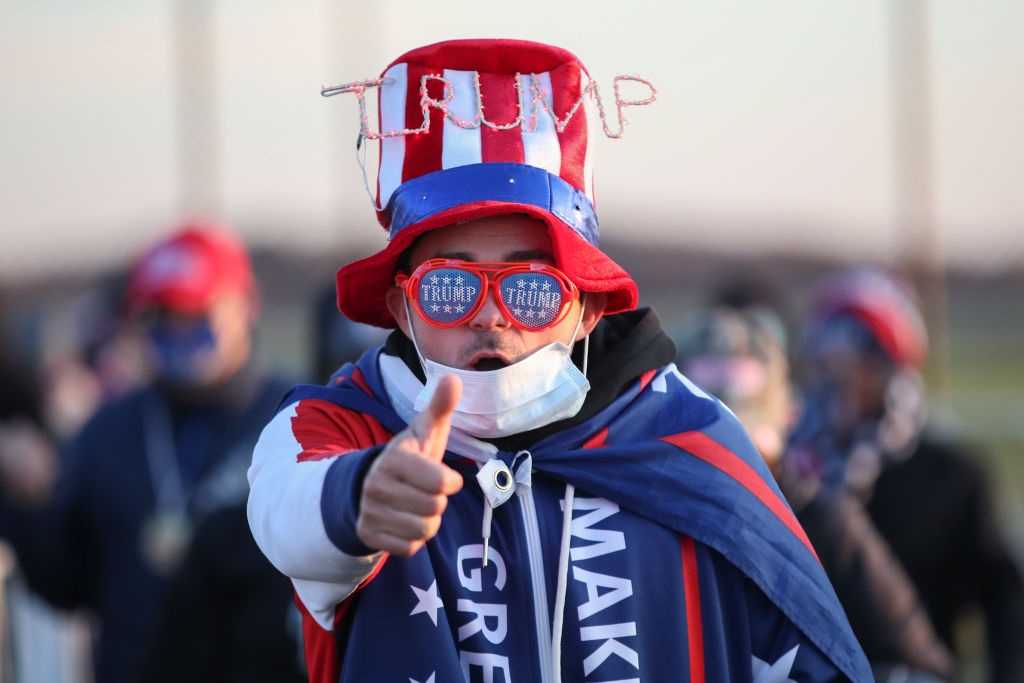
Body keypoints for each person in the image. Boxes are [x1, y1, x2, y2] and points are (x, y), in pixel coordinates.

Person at [247, 38, 871, 682]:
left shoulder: (689, 436)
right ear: (400, 305)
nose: (489, 316)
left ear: (587, 310)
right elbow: (284, 513)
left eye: (532, 289)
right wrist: (361, 497)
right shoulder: (339, 427)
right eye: (448, 286)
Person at [0, 222, 294, 683]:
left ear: (245, 306)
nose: (177, 331)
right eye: (161, 315)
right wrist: (32, 506)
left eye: (196, 312)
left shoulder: (294, 417)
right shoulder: (105, 431)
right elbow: (66, 583)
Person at [675, 304, 954, 681]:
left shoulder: (821, 521)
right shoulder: (638, 523)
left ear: (789, 418)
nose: (729, 471)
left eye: (750, 449)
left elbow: (919, 667)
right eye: (702, 447)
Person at [783, 267, 1024, 682]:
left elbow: (1005, 600)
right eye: (829, 363)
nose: (844, 381)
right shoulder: (795, 475)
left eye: (862, 363)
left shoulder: (951, 477)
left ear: (893, 369)